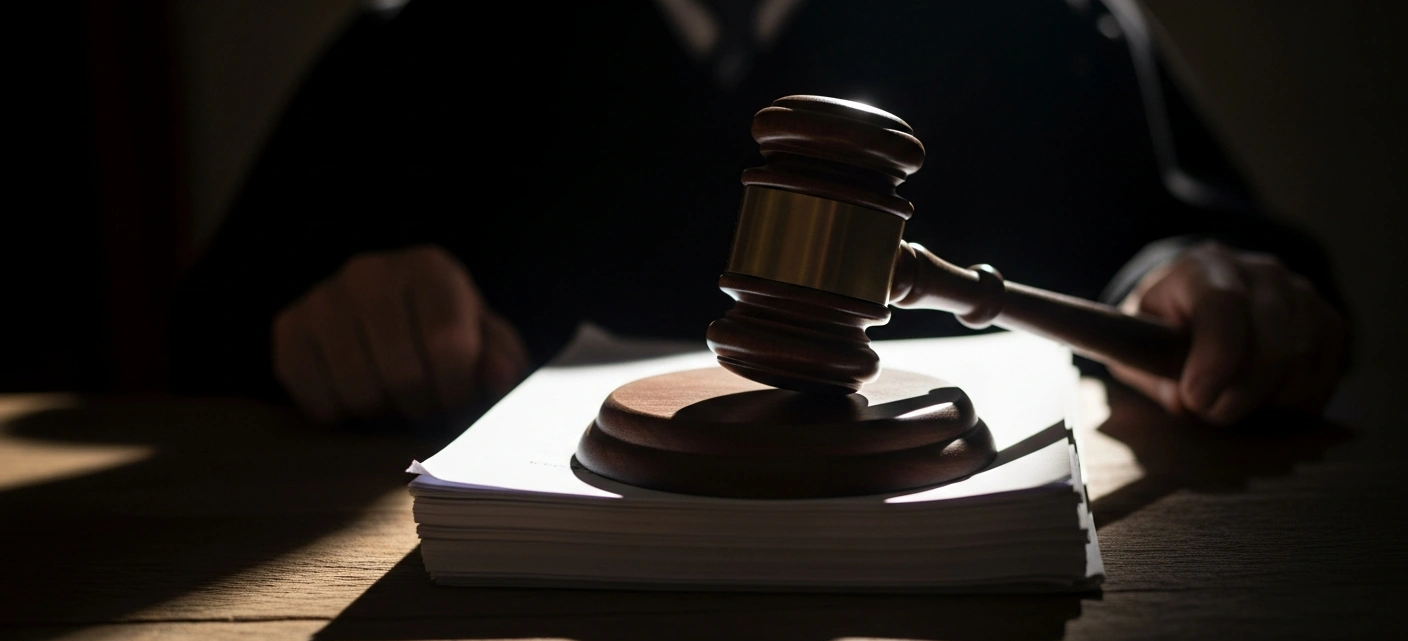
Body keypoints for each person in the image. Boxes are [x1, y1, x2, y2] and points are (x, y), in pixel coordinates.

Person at [172, 0, 1348, 427]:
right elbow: (201, 351)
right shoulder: (423, 51)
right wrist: (324, 326)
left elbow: (1219, 266)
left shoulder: (1046, 30)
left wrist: (1192, 279)